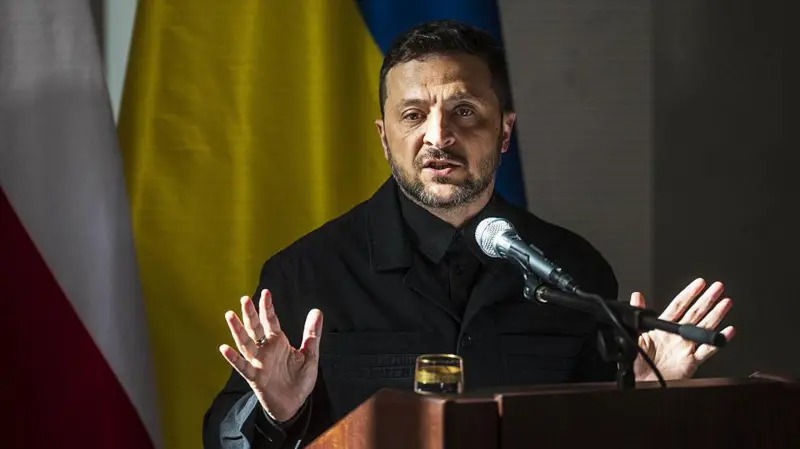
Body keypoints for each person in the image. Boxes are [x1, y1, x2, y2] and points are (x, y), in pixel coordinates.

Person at [202, 20, 735, 449]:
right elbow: (222, 437)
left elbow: (594, 433)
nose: (438, 136)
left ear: (504, 130)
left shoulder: (575, 269)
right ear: (385, 139)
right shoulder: (307, 272)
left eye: (464, 111)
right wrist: (275, 414)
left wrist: (641, 398)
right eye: (413, 115)